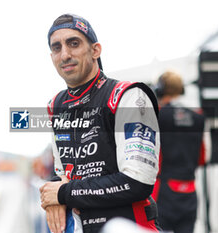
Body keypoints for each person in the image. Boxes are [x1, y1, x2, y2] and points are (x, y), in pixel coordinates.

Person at [39, 14, 161, 233]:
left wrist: (62, 194)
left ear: (95, 50)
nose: (65, 54)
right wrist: (53, 195)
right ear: (51, 57)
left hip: (126, 226)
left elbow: (138, 182)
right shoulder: (55, 106)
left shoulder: (128, 96)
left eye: (73, 43)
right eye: (57, 48)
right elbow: (61, 173)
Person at [151, 71, 211, 233]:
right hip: (190, 190)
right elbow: (203, 158)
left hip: (163, 189)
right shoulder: (198, 117)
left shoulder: (157, 114)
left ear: (160, 90)